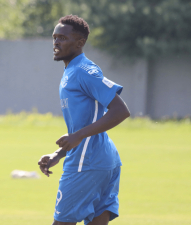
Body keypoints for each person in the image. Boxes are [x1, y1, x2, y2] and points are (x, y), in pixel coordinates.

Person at [38, 15, 130, 225]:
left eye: (62, 37)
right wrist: (59, 153)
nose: (56, 42)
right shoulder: (72, 70)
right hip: (103, 159)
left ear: (80, 43)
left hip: (86, 162)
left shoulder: (84, 71)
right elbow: (82, 125)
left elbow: (120, 111)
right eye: (54, 37)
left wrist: (78, 136)